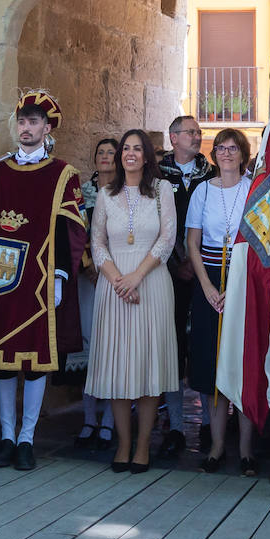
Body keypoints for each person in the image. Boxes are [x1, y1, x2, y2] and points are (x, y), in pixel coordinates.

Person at [0, 88, 86, 472]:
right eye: (22, 121)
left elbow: (68, 230)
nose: (26, 128)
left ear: (46, 127)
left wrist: (59, 275)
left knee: (36, 361)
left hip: (39, 279)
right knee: (2, 360)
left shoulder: (63, 175)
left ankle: (28, 439)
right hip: (0, 278)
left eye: (34, 122)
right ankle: (7, 438)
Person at [84, 128, 178, 472]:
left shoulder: (162, 190)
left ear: (147, 156)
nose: (131, 154)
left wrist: (136, 277)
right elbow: (97, 244)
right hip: (114, 285)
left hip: (150, 283)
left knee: (148, 364)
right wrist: (117, 281)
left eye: (138, 149)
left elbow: (168, 239)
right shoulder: (106, 194)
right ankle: (122, 444)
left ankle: (142, 446)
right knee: (118, 366)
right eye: (126, 148)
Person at [185, 127, 256, 474]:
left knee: (241, 365)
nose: (227, 154)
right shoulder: (202, 191)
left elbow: (259, 244)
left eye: (233, 148)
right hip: (209, 283)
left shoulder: (253, 190)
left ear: (243, 154)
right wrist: (207, 288)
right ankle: (215, 446)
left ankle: (244, 449)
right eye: (221, 148)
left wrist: (239, 287)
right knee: (211, 365)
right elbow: (192, 245)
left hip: (244, 282)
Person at [158, 115, 214, 456]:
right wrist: (174, 263)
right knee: (172, 348)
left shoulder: (213, 174)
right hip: (169, 273)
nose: (197, 137)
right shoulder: (156, 175)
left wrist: (199, 266)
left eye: (198, 132)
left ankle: (210, 422)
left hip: (207, 273)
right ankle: (176, 425)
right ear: (174, 137)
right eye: (190, 132)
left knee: (206, 346)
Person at [72, 138, 118, 450]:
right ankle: (89, 418)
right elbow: (73, 231)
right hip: (87, 279)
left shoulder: (126, 191)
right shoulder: (80, 192)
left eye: (110, 153)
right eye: (99, 152)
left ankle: (112, 421)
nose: (104, 157)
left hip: (117, 276)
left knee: (114, 347)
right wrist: (85, 264)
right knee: (90, 345)